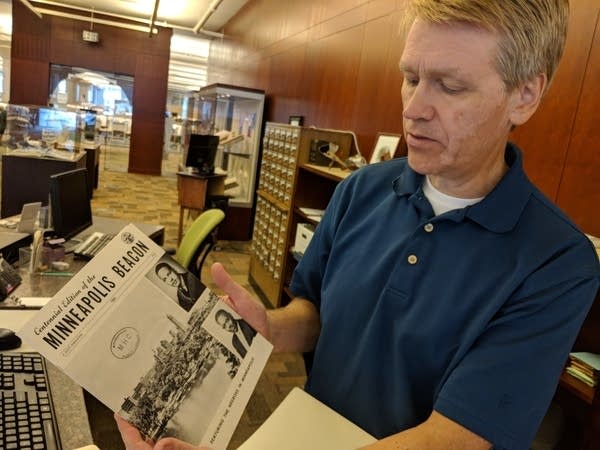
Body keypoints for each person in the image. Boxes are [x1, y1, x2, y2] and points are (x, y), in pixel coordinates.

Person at [116, 1, 600, 449]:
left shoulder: (556, 261)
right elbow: (317, 314)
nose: (413, 108)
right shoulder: (362, 188)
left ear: (525, 96)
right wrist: (270, 326)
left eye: (450, 86)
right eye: (410, 77)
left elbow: (457, 437)